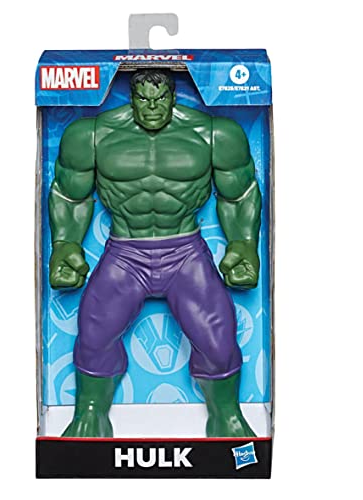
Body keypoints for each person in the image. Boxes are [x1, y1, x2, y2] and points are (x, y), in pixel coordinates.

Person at [49, 69, 261, 437]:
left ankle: (226, 415)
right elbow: (69, 195)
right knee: (95, 331)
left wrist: (243, 243)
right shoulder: (91, 135)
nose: (151, 107)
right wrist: (65, 244)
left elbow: (240, 194)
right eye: (143, 99)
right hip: (125, 252)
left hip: (185, 251)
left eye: (159, 98)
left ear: (173, 96)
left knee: (217, 337)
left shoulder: (215, 134)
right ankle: (90, 413)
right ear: (131, 97)